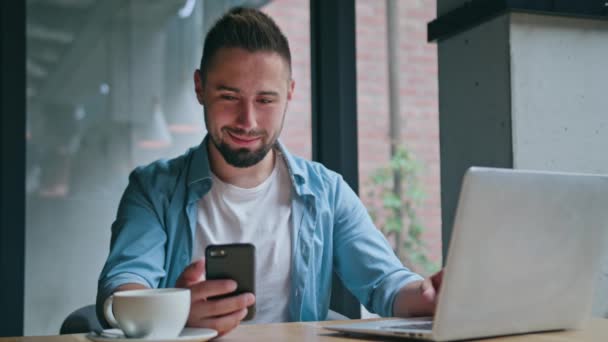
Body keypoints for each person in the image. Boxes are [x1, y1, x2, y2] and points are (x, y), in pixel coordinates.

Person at [97, 6, 443, 337]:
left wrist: (426, 296)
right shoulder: (153, 189)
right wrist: (176, 312)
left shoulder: (327, 192)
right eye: (229, 97)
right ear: (200, 88)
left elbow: (386, 283)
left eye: (265, 100)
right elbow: (123, 289)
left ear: (290, 93)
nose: (248, 121)